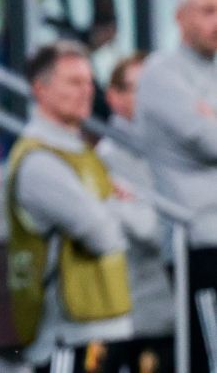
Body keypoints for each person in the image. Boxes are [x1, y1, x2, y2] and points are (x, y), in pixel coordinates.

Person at [7, 41, 141, 372]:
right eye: (74, 82)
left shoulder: (82, 152)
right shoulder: (39, 161)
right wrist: (115, 206)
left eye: (89, 81)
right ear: (41, 88)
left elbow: (135, 222)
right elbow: (105, 236)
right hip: (68, 334)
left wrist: (105, 207)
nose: (87, 91)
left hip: (104, 324)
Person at [135, 0, 217, 373]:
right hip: (197, 242)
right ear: (179, 16)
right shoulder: (160, 74)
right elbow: (210, 142)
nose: (216, 22)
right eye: (207, 11)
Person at [95, 54, 174, 372]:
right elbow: (150, 232)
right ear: (113, 97)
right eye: (139, 89)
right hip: (127, 316)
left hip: (173, 310)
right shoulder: (104, 160)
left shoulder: (173, 151)